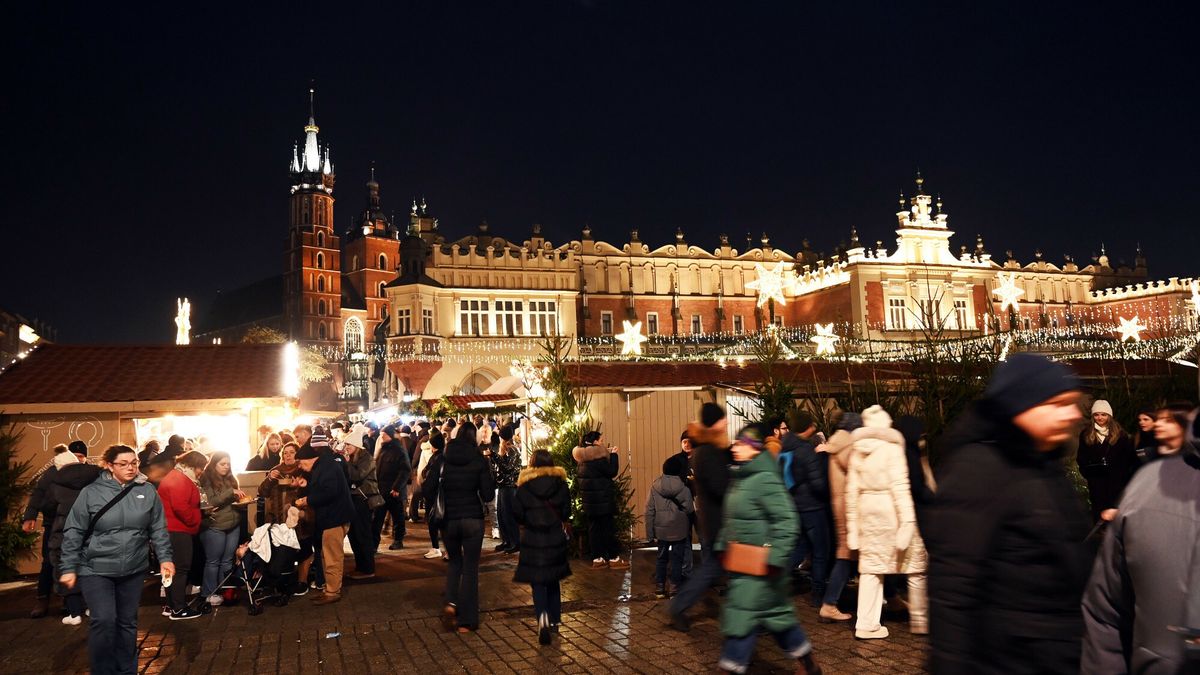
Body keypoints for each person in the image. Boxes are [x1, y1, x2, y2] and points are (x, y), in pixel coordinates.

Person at [927, 353, 1092, 673]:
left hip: (1054, 653)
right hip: (1007, 659)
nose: (1073, 414)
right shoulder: (979, 468)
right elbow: (952, 588)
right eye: (1058, 403)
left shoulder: (1044, 463)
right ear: (1021, 405)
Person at [1082, 403, 1200, 674]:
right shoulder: (1148, 484)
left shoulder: (1123, 442)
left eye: (1167, 421)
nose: (1158, 425)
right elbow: (1105, 612)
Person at [715, 424, 821, 675]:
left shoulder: (764, 479)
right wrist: (722, 545)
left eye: (741, 444)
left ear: (754, 449)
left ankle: (731, 667)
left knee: (743, 619)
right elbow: (732, 521)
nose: (734, 447)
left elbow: (787, 521)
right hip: (745, 566)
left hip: (763, 568)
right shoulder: (741, 478)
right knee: (778, 619)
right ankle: (808, 662)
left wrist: (774, 559)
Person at [59, 445, 174, 674]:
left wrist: (165, 558)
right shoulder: (91, 493)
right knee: (104, 620)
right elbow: (74, 530)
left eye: (134, 463)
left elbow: (158, 528)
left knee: (127, 622)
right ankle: (103, 670)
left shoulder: (147, 491)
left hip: (133, 568)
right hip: (95, 568)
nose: (130, 468)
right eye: (123, 464)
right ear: (109, 466)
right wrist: (69, 566)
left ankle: (126, 670)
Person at [845, 405, 927, 639]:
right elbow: (901, 488)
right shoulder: (892, 449)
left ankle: (866, 623)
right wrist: (907, 523)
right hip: (889, 509)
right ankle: (921, 619)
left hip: (866, 510)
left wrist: (853, 528)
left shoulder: (857, 450)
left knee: (871, 569)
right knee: (913, 564)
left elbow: (851, 492)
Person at [422, 421, 496, 632]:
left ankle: (451, 603)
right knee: (471, 568)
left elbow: (428, 488)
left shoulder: (443, 457)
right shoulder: (478, 459)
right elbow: (488, 494)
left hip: (449, 520)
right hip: (472, 518)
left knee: (455, 562)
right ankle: (467, 621)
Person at [669, 402, 732, 632]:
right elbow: (719, 487)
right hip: (717, 521)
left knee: (714, 569)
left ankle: (680, 607)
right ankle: (679, 607)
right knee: (712, 569)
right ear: (713, 423)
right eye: (721, 419)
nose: (726, 422)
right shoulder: (707, 451)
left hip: (717, 520)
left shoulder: (711, 448)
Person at [512, 449, 572, 645]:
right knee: (553, 580)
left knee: (538, 582)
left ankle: (542, 617)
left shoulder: (524, 486)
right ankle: (554, 620)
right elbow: (566, 512)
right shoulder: (561, 485)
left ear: (533, 463)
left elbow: (517, 514)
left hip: (533, 539)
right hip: (554, 537)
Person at [813, 411, 860, 623]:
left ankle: (889, 596)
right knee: (846, 556)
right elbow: (859, 471)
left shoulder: (836, 443)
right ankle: (829, 604)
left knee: (849, 556)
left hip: (841, 506)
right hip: (849, 509)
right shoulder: (848, 446)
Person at [46, 450, 102, 625]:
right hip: (92, 529)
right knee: (91, 567)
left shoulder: (56, 483)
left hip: (64, 531)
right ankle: (92, 607)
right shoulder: (96, 477)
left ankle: (74, 613)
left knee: (66, 567)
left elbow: (47, 507)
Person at [295, 439, 354, 605]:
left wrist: (307, 500)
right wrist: (308, 485)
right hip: (332, 517)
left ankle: (333, 592)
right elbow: (324, 488)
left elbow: (329, 492)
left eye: (300, 462)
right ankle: (329, 588)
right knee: (327, 555)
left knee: (332, 556)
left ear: (309, 458)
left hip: (334, 517)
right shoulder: (323, 465)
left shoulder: (327, 466)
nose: (300, 466)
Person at [780, 408, 829, 606]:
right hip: (812, 507)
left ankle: (775, 582)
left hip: (794, 505)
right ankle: (818, 595)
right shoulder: (805, 450)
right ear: (806, 428)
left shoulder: (785, 446)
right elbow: (818, 484)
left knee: (799, 548)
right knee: (820, 551)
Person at [156, 450, 207, 620]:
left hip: (170, 529)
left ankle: (170, 605)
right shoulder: (180, 479)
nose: (200, 472)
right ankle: (178, 607)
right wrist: (195, 520)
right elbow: (181, 507)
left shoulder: (174, 475)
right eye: (201, 468)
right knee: (181, 569)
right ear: (194, 465)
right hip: (178, 530)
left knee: (170, 569)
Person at [22, 443, 70, 619]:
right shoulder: (52, 473)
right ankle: (43, 599)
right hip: (53, 522)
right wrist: (30, 516)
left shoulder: (84, 472)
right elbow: (38, 493)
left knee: (70, 561)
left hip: (74, 524)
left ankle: (67, 598)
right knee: (49, 562)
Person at [572, 431, 628, 570]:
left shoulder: (581, 461)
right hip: (603, 501)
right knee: (608, 529)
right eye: (601, 440)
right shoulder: (599, 459)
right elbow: (612, 471)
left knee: (594, 530)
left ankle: (598, 558)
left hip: (589, 503)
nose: (603, 443)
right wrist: (614, 455)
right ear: (596, 442)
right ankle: (614, 558)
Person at [1077, 399, 1136, 523]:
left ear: (1109, 415)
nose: (1100, 418)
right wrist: (1088, 475)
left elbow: (1128, 458)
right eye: (1097, 414)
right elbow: (1081, 457)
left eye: (1103, 414)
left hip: (1116, 481)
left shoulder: (1120, 435)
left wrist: (1123, 476)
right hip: (1096, 481)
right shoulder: (1086, 434)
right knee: (1099, 514)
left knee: (1115, 514)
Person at [198, 451, 246, 606]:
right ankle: (209, 593)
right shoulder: (206, 479)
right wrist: (230, 492)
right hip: (215, 525)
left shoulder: (231, 478)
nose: (226, 467)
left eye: (228, 464)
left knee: (227, 561)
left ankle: (224, 590)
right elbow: (211, 501)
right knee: (213, 561)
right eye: (222, 464)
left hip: (233, 524)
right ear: (214, 464)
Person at [646, 454, 694, 598]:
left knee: (661, 557)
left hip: (661, 529)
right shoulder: (684, 489)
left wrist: (650, 533)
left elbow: (649, 510)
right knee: (677, 559)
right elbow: (690, 509)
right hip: (679, 528)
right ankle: (674, 588)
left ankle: (660, 587)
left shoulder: (655, 486)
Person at [343, 426, 380, 579]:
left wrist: (347, 463)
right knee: (353, 534)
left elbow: (357, 476)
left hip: (363, 500)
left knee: (362, 534)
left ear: (356, 446)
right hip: (354, 499)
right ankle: (360, 567)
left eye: (348, 445)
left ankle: (368, 569)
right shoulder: (353, 458)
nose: (346, 448)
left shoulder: (367, 458)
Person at [372, 424, 411, 550]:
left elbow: (405, 470)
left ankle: (398, 540)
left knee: (398, 517)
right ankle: (373, 544)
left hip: (394, 492)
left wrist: (396, 488)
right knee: (377, 519)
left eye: (383, 435)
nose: (381, 437)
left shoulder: (399, 450)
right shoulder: (383, 449)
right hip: (381, 490)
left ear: (389, 435)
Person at [493, 424, 523, 553]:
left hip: (510, 487)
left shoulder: (512, 450)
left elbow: (508, 468)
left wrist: (494, 457)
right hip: (503, 486)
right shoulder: (505, 449)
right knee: (501, 514)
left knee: (508, 514)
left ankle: (515, 542)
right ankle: (506, 540)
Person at [418, 434, 446, 559]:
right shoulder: (443, 456)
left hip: (434, 495)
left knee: (434, 522)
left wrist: (425, 491)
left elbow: (431, 478)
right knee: (443, 523)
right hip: (441, 495)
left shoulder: (437, 458)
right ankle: (446, 549)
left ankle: (436, 548)